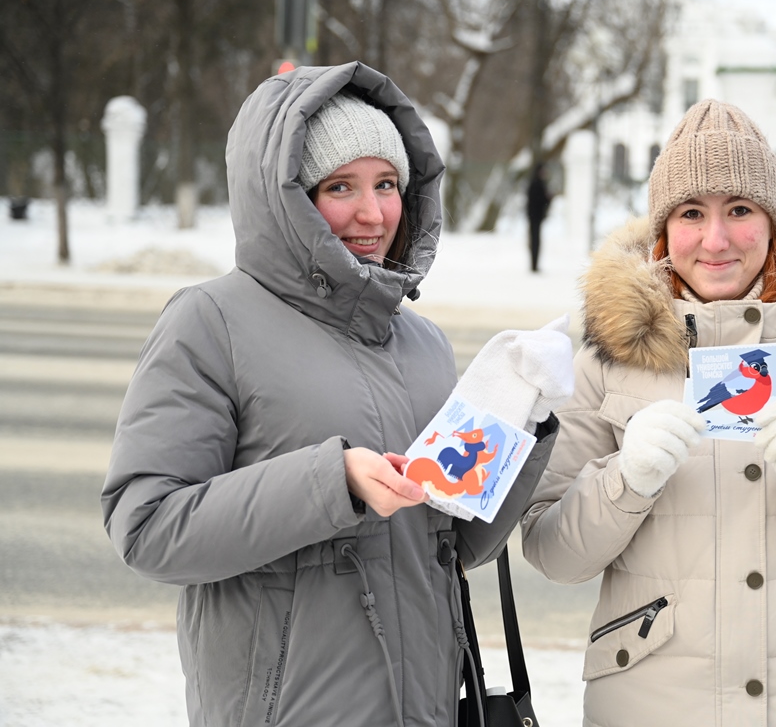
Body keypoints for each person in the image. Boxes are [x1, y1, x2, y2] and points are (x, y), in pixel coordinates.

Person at [101, 62, 569, 727]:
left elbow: (458, 542)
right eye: (340, 186)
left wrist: (527, 421)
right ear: (286, 197)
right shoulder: (210, 322)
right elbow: (147, 527)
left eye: (387, 184)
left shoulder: (423, 341)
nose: (373, 213)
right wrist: (334, 482)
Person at [520, 99, 776, 726]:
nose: (716, 240)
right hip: (648, 709)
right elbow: (552, 552)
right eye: (692, 213)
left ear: (772, 221)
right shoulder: (609, 349)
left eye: (739, 210)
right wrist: (623, 483)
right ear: (664, 228)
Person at [526, 162, 553, 272]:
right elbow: (539, 201)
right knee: (535, 241)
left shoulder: (536, 183)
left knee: (535, 241)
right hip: (535, 217)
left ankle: (534, 264)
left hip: (534, 217)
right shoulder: (537, 184)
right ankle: (534, 265)